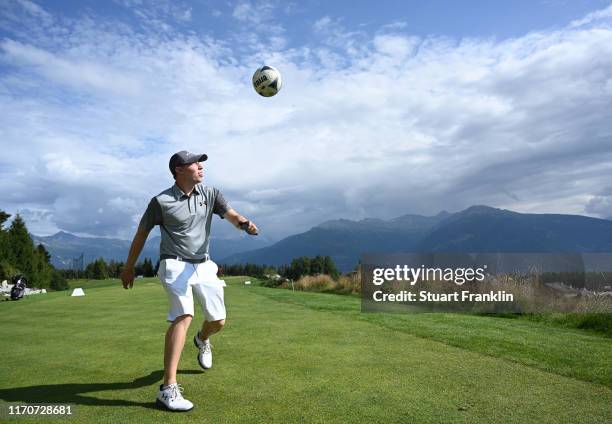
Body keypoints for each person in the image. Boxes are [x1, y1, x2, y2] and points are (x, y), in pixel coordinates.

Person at [120, 150, 258, 412]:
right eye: (195, 163)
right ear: (179, 170)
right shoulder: (160, 201)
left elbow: (232, 215)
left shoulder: (211, 194)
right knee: (183, 315)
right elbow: (141, 235)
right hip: (172, 262)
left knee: (218, 321)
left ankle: (202, 339)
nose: (200, 166)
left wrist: (245, 224)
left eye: (201, 163)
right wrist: (128, 268)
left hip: (204, 264)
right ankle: (167, 388)